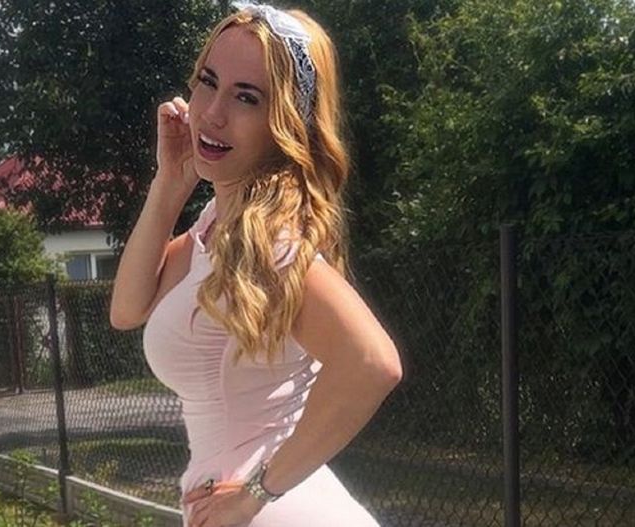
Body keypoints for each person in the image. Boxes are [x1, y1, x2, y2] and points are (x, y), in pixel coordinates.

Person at [109, 3, 402, 526]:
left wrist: (255, 494)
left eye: (247, 97)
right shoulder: (216, 231)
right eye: (208, 82)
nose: (212, 113)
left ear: (285, 121)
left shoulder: (272, 247)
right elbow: (128, 309)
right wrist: (170, 183)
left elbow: (373, 363)